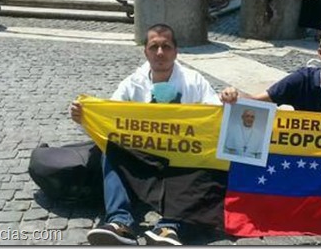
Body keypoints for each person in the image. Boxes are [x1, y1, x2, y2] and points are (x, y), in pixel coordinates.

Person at [70, 24, 220, 245]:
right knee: (110, 147)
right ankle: (120, 222)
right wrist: (83, 116)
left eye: (166, 47)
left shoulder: (194, 81)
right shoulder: (132, 83)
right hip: (142, 158)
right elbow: (109, 121)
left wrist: (230, 101)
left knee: (204, 163)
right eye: (154, 47)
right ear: (146, 52)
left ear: (176, 51)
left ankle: (169, 226)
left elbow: (216, 116)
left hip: (180, 160)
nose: (160, 53)